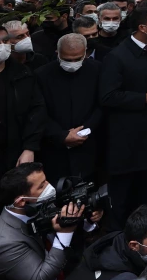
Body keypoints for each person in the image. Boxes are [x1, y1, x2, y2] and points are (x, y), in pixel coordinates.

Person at [99, 5, 147, 227]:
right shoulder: (118, 56)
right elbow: (108, 96)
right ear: (142, 27)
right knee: (128, 181)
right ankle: (121, 227)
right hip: (130, 131)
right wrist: (142, 98)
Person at [34, 33, 103, 183]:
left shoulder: (98, 70)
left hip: (90, 145)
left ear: (85, 52)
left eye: (77, 59)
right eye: (67, 60)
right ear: (57, 53)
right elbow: (38, 111)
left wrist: (86, 130)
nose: (72, 63)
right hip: (54, 148)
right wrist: (61, 135)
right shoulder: (42, 75)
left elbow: (102, 105)